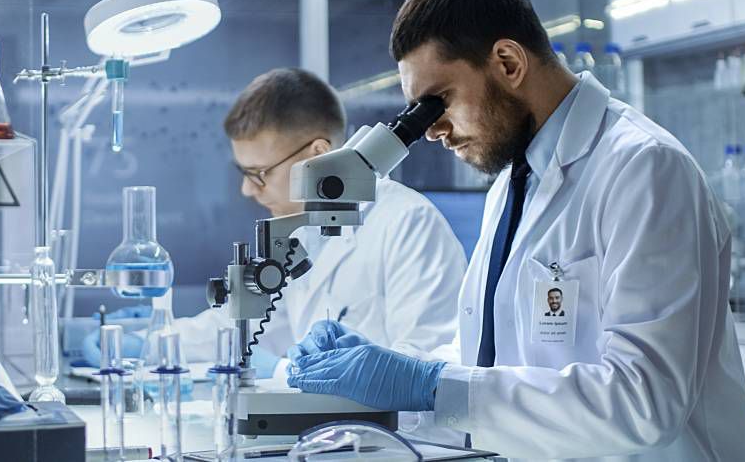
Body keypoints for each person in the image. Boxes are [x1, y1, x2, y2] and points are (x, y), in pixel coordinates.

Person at [286, 0, 745, 461]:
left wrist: (427, 385)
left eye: (437, 102)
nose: (430, 131)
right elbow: (493, 361)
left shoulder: (643, 167)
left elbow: (643, 402)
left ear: (508, 62)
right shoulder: (515, 182)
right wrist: (389, 367)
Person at [84, 68, 467, 379]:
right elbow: (248, 328)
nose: (247, 190)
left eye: (259, 172)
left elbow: (430, 373)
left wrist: (290, 371)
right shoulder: (303, 231)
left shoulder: (407, 224)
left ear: (318, 154)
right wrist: (151, 338)